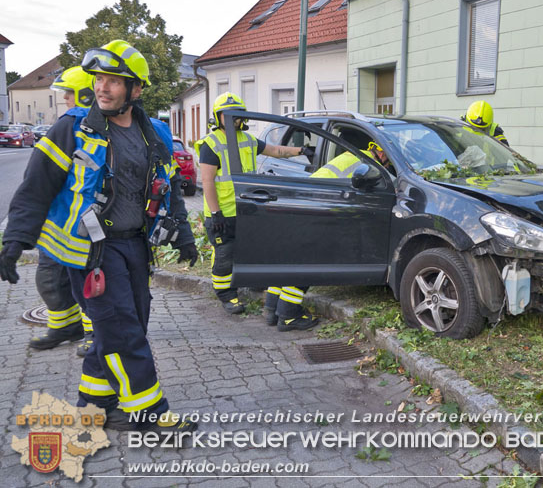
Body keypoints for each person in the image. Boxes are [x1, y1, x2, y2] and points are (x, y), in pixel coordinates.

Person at [0, 40, 199, 434]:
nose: (102, 87)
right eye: (99, 79)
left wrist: (184, 235)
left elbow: (170, 186)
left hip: (134, 246)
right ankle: (148, 412)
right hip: (91, 252)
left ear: (135, 90)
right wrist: (15, 239)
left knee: (127, 326)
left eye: (114, 81)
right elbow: (36, 186)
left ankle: (94, 405)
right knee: (122, 328)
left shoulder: (154, 132)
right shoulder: (72, 128)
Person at [197, 92, 314, 314]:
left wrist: (302, 150)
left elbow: (275, 151)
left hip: (245, 209)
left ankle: (250, 282)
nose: (233, 120)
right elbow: (207, 181)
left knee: (249, 250)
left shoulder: (248, 139)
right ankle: (226, 296)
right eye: (227, 115)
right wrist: (215, 213)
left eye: (238, 115)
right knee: (224, 255)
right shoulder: (210, 144)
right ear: (218, 116)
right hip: (223, 213)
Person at [265, 141, 392, 331]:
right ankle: (288, 316)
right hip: (318, 208)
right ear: (382, 154)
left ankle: (272, 309)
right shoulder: (370, 165)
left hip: (303, 203)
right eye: (388, 160)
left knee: (292, 260)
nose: (388, 164)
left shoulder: (351, 155)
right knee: (308, 265)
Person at [27, 67, 96, 356]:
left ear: (86, 94)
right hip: (57, 226)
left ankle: (94, 332)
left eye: (70, 93)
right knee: (50, 280)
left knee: (91, 287)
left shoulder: (98, 130)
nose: (65, 98)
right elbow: (39, 180)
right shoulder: (65, 127)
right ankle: (63, 327)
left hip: (87, 229)